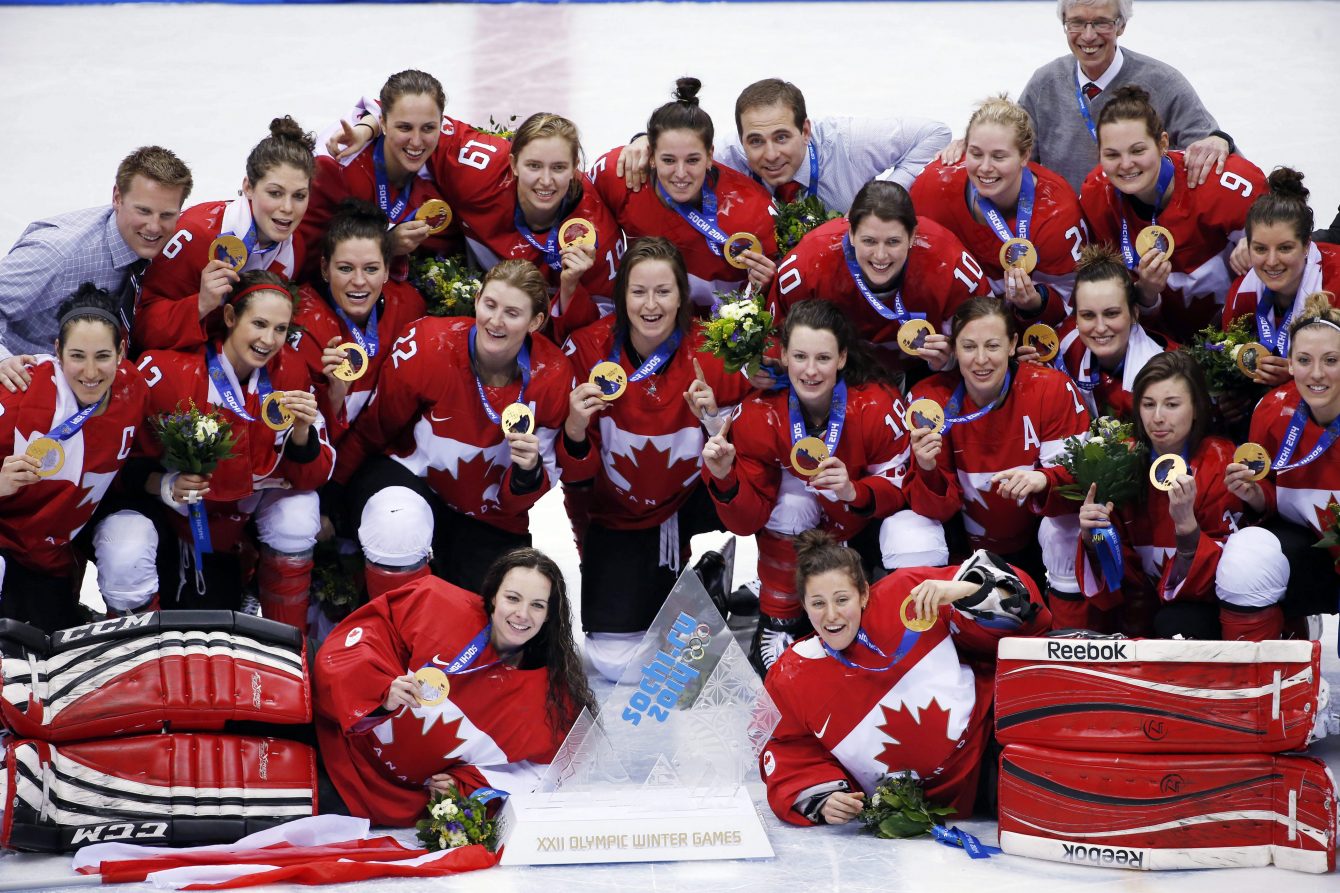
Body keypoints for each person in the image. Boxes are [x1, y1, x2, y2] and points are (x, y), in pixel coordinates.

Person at [558, 237, 753, 681]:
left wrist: (720, 419)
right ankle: (702, 583)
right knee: (617, 666)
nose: (651, 305)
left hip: (694, 496)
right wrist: (573, 428)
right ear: (621, 294)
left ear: (682, 295)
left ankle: (783, 603)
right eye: (638, 291)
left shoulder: (715, 350)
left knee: (788, 494)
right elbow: (574, 480)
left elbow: (766, 433)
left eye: (663, 291)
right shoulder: (587, 350)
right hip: (622, 513)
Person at [759, 532, 1049, 826]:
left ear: (864, 594)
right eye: (818, 603)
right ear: (804, 607)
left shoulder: (906, 595)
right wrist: (824, 798)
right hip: (914, 810)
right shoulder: (789, 676)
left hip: (991, 754)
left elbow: (1022, 601)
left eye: (842, 599)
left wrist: (961, 590)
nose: (831, 615)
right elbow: (786, 748)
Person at [700, 299, 925, 673]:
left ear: (841, 358)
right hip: (802, 530)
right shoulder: (758, 412)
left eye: (823, 358)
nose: (810, 370)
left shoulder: (876, 406)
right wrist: (725, 476)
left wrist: (855, 491)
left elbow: (902, 490)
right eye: (800, 357)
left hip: (861, 526)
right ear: (784, 356)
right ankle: (779, 616)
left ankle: (880, 607)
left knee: (913, 533)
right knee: (790, 504)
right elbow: (745, 521)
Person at [332, 259, 572, 596]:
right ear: (477, 300)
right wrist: (331, 500)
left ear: (536, 321)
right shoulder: (430, 344)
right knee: (397, 526)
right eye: (490, 305)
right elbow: (374, 430)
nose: (496, 321)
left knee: (498, 608)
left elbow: (520, 502)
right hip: (410, 480)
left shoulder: (553, 375)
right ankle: (391, 637)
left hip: (488, 516)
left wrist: (527, 470)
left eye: (513, 313)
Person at [313, 548, 597, 827]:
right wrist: (379, 689)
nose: (522, 614)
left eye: (537, 605)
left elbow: (542, 775)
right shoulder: (435, 603)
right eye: (512, 598)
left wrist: (467, 788)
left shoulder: (551, 702)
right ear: (494, 596)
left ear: (549, 614)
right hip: (328, 710)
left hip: (370, 792)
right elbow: (368, 634)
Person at [120, 271, 334, 629]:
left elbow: (308, 478)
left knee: (299, 514)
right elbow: (119, 463)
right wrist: (163, 484)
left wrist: (301, 431)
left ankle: (290, 646)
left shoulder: (291, 370)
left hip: (244, 520)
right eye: (260, 324)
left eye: (280, 329)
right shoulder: (168, 371)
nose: (269, 340)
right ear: (232, 317)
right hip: (180, 527)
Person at [905, 297, 1090, 595]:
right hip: (961, 550)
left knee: (1065, 529)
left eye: (992, 346)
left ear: (1012, 343)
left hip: (1037, 542)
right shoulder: (928, 403)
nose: (980, 359)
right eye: (968, 347)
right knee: (906, 531)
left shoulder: (1050, 389)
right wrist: (927, 471)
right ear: (953, 349)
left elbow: (1077, 486)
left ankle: (1068, 629)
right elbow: (932, 511)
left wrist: (1045, 479)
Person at [1049, 352, 1240, 635]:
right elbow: (1114, 580)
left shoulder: (1220, 461)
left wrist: (1187, 528)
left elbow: (1230, 579)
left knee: (1176, 623)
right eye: (1148, 405)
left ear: (1198, 407)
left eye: (1172, 405)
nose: (1158, 418)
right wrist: (1093, 538)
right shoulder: (1118, 458)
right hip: (1131, 614)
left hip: (1197, 615)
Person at [0, 286, 151, 632]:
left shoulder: (133, 390)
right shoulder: (18, 394)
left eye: (102, 356)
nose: (90, 372)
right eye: (77, 356)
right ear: (57, 351)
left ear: (121, 352)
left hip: (53, 561)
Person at [1080, 86, 1265, 341]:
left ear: (1163, 143)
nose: (1125, 164)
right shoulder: (1096, 197)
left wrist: (1262, 244)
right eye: (1112, 154)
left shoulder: (1224, 185)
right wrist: (1145, 293)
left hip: (1246, 339)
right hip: (1164, 348)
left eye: (1137, 151)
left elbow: (1296, 246)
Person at [0, 146, 192, 391]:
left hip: (96, 386)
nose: (154, 227)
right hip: (27, 391)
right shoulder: (58, 254)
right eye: (143, 211)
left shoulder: (164, 248)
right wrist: (3, 361)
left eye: (166, 215)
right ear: (117, 198)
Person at [616, 77, 951, 215]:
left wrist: (880, 200)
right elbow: (683, 154)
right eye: (756, 141)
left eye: (782, 137)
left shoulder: (849, 143)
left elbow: (934, 134)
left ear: (805, 130)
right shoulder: (731, 156)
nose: (771, 155)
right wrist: (642, 142)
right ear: (741, 140)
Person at [426, 112, 621, 341]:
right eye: (534, 166)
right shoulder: (479, 168)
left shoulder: (597, 236)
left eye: (558, 167)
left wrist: (570, 286)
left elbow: (596, 333)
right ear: (513, 164)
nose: (546, 180)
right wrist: (371, 125)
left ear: (574, 167)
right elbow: (414, 121)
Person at [768, 180, 989, 381]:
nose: (881, 256)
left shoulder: (948, 260)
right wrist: (771, 366)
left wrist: (951, 359)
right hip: (830, 376)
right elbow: (775, 336)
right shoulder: (809, 263)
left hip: (923, 374)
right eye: (869, 241)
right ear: (851, 233)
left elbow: (990, 335)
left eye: (893, 241)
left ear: (913, 236)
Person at [590, 78, 778, 312]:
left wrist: (768, 285)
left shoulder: (754, 210)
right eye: (668, 160)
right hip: (645, 315)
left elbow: (774, 302)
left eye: (692, 160)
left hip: (715, 331)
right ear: (650, 156)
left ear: (710, 156)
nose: (681, 174)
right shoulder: (618, 174)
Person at [133, 117, 316, 353]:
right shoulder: (195, 234)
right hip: (185, 368)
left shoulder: (294, 248)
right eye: (275, 193)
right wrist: (199, 305)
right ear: (248, 187)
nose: (288, 208)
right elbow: (138, 327)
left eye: (299, 196)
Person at [1216, 293, 1340, 641]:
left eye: (1331, 360)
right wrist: (1255, 494)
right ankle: (1264, 678)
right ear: (1290, 365)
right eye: (1304, 360)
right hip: (1310, 556)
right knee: (1246, 558)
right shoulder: (1272, 411)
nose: (1316, 374)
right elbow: (1270, 496)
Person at [1017, 0, 1235, 193]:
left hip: (1142, 230)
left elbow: (1213, 152)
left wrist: (1220, 140)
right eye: (1077, 23)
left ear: (1121, 25)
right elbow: (1012, 153)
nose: (1088, 35)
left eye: (1102, 22)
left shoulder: (1164, 83)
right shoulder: (1044, 84)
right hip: (1068, 229)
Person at [912, 96, 1088, 321]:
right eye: (976, 153)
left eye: (998, 156)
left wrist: (1036, 302)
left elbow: (1072, 307)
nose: (985, 168)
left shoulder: (1058, 214)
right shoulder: (932, 188)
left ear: (1025, 155)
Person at [298, 70, 457, 283]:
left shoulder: (445, 171)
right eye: (404, 127)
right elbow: (307, 257)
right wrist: (385, 244)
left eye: (428, 128)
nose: (417, 142)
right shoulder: (338, 165)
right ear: (382, 123)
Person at [291, 200, 426, 447]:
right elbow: (292, 444)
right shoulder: (299, 324)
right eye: (345, 268)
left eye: (372, 269)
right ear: (324, 268)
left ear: (387, 270)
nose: (359, 281)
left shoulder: (410, 307)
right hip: (323, 466)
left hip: (380, 458)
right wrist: (333, 398)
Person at [1222, 168, 1340, 389]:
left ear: (1306, 245)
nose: (1272, 261)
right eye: (1260, 249)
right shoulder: (1241, 296)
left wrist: (1299, 372)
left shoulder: (1336, 283)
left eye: (1285, 248)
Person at [1054, 244, 1175, 420]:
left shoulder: (1171, 371)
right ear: (1076, 319)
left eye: (1111, 314)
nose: (1101, 327)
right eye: (1088, 315)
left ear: (1134, 313)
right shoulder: (1064, 347)